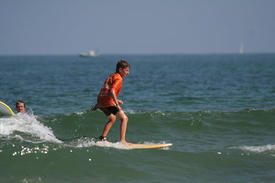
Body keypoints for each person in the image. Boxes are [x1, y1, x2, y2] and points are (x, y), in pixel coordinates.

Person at [92, 60, 131, 145]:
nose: (128, 73)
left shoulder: (112, 76)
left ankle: (102, 138)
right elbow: (112, 90)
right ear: (120, 70)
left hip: (101, 101)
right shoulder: (119, 78)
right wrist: (117, 104)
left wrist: (115, 100)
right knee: (124, 118)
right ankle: (123, 141)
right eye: (127, 70)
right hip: (108, 102)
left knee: (112, 118)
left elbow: (105, 90)